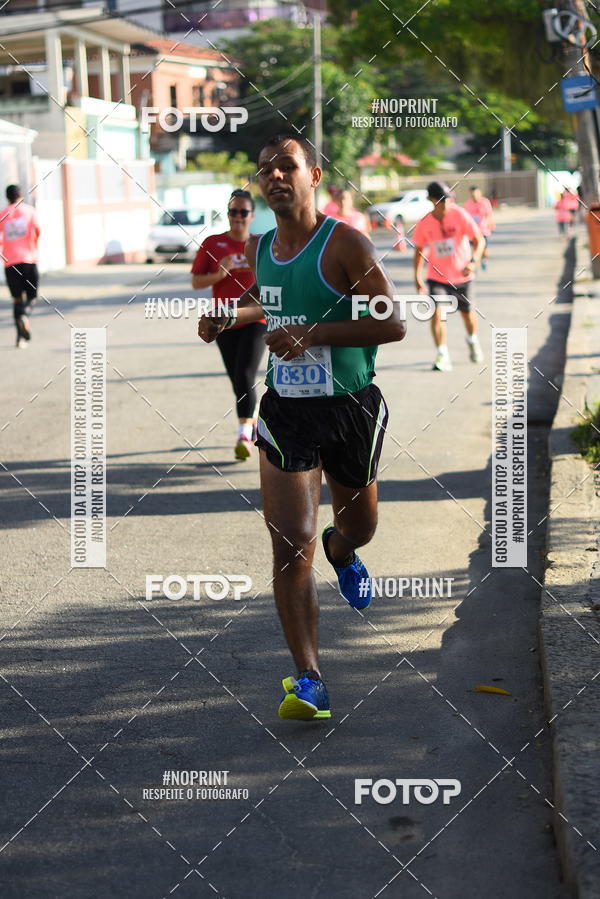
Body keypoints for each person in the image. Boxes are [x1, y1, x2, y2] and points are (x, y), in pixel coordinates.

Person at [198, 134, 405, 720]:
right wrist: (229, 316)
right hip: (286, 409)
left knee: (358, 527)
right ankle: (309, 678)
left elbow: (392, 324)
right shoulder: (263, 247)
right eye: (265, 170)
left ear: (314, 174)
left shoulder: (346, 244)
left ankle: (346, 552)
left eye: (286, 166)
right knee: (292, 545)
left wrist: (315, 334)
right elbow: (275, 302)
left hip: (351, 406)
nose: (274, 177)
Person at [191, 189, 266, 460]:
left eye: (243, 212)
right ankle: (252, 419)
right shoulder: (213, 244)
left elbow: (270, 280)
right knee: (237, 379)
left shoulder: (260, 245)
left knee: (245, 374)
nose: (237, 217)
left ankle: (244, 435)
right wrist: (218, 273)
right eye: (233, 212)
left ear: (252, 216)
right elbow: (196, 282)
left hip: (255, 319)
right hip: (222, 322)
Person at [413, 181, 485, 372]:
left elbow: (479, 240)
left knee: (468, 316)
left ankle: (472, 340)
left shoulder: (459, 214)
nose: (446, 204)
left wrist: (473, 261)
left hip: (462, 276)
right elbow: (419, 250)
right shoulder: (424, 223)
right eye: (441, 201)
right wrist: (417, 276)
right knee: (437, 313)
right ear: (431, 200)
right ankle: (442, 354)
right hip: (436, 277)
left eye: (448, 199)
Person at [0, 184, 40, 348]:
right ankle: (25, 316)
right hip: (28, 259)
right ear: (20, 195)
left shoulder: (3, 214)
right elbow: (37, 230)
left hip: (10, 263)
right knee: (32, 297)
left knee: (17, 300)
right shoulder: (29, 210)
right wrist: (33, 244)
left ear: (7, 197)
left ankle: (20, 339)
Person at [463, 186, 494, 269]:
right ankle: (474, 265)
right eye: (472, 194)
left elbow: (489, 215)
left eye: (475, 193)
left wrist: (488, 224)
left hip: (483, 231)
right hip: (473, 232)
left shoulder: (485, 202)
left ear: (479, 193)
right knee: (473, 250)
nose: (474, 196)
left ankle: (484, 260)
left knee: (484, 250)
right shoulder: (467, 204)